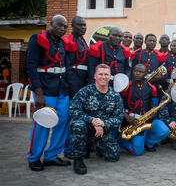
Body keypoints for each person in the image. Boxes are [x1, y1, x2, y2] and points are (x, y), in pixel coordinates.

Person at [26, 15, 74, 171]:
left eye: (65, 26)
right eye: (59, 25)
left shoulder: (61, 43)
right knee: (42, 123)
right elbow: (31, 67)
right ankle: (34, 158)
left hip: (61, 88)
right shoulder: (37, 39)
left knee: (63, 121)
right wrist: (38, 93)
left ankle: (52, 156)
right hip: (45, 88)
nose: (62, 28)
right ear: (51, 24)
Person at [68, 64, 124, 174]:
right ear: (95, 76)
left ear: (110, 77)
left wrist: (104, 123)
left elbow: (119, 117)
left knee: (114, 156)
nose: (103, 77)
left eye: (106, 74)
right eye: (100, 74)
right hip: (86, 126)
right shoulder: (85, 91)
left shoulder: (115, 96)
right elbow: (73, 110)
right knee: (77, 125)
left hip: (102, 129)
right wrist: (92, 120)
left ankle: (93, 145)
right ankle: (78, 159)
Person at [119, 64, 170, 155]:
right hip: (133, 121)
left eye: (141, 72)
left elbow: (153, 106)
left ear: (146, 74)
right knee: (137, 152)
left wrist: (154, 112)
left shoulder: (151, 87)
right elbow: (118, 105)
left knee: (165, 130)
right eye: (136, 71)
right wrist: (126, 116)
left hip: (146, 120)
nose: (137, 73)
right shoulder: (126, 87)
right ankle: (120, 141)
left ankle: (149, 143)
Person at [63, 16, 89, 99]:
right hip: (74, 79)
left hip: (84, 78)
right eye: (80, 25)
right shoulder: (70, 40)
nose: (83, 27)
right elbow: (67, 63)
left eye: (84, 25)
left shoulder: (83, 40)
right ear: (72, 26)